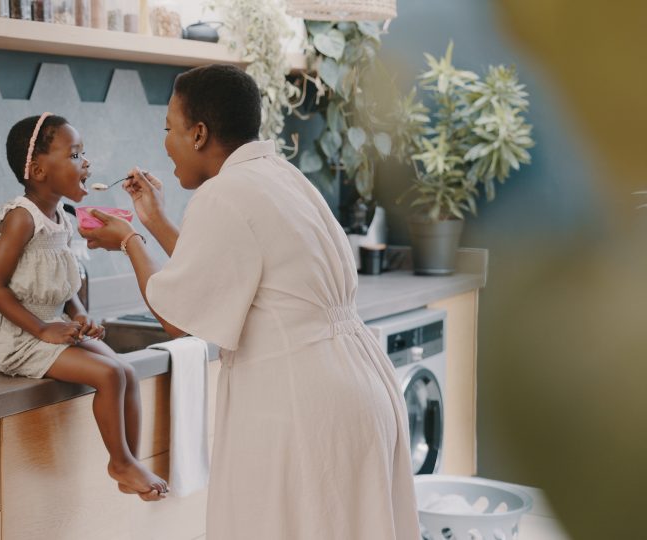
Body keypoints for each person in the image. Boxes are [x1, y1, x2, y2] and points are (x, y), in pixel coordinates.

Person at [79, 65, 421, 537]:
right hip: (358, 388)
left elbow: (180, 320)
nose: (166, 142)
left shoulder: (224, 193)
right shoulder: (280, 175)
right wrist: (155, 220)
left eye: (169, 129)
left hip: (301, 403)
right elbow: (219, 276)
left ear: (198, 133)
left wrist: (129, 240)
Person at [0, 113, 169, 501]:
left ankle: (128, 463)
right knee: (109, 376)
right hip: (20, 340)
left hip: (51, 328)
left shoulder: (62, 220)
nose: (86, 162)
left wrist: (79, 313)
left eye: (84, 153)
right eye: (75, 154)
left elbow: (64, 279)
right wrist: (42, 329)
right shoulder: (21, 219)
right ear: (38, 170)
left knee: (125, 370)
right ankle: (119, 462)